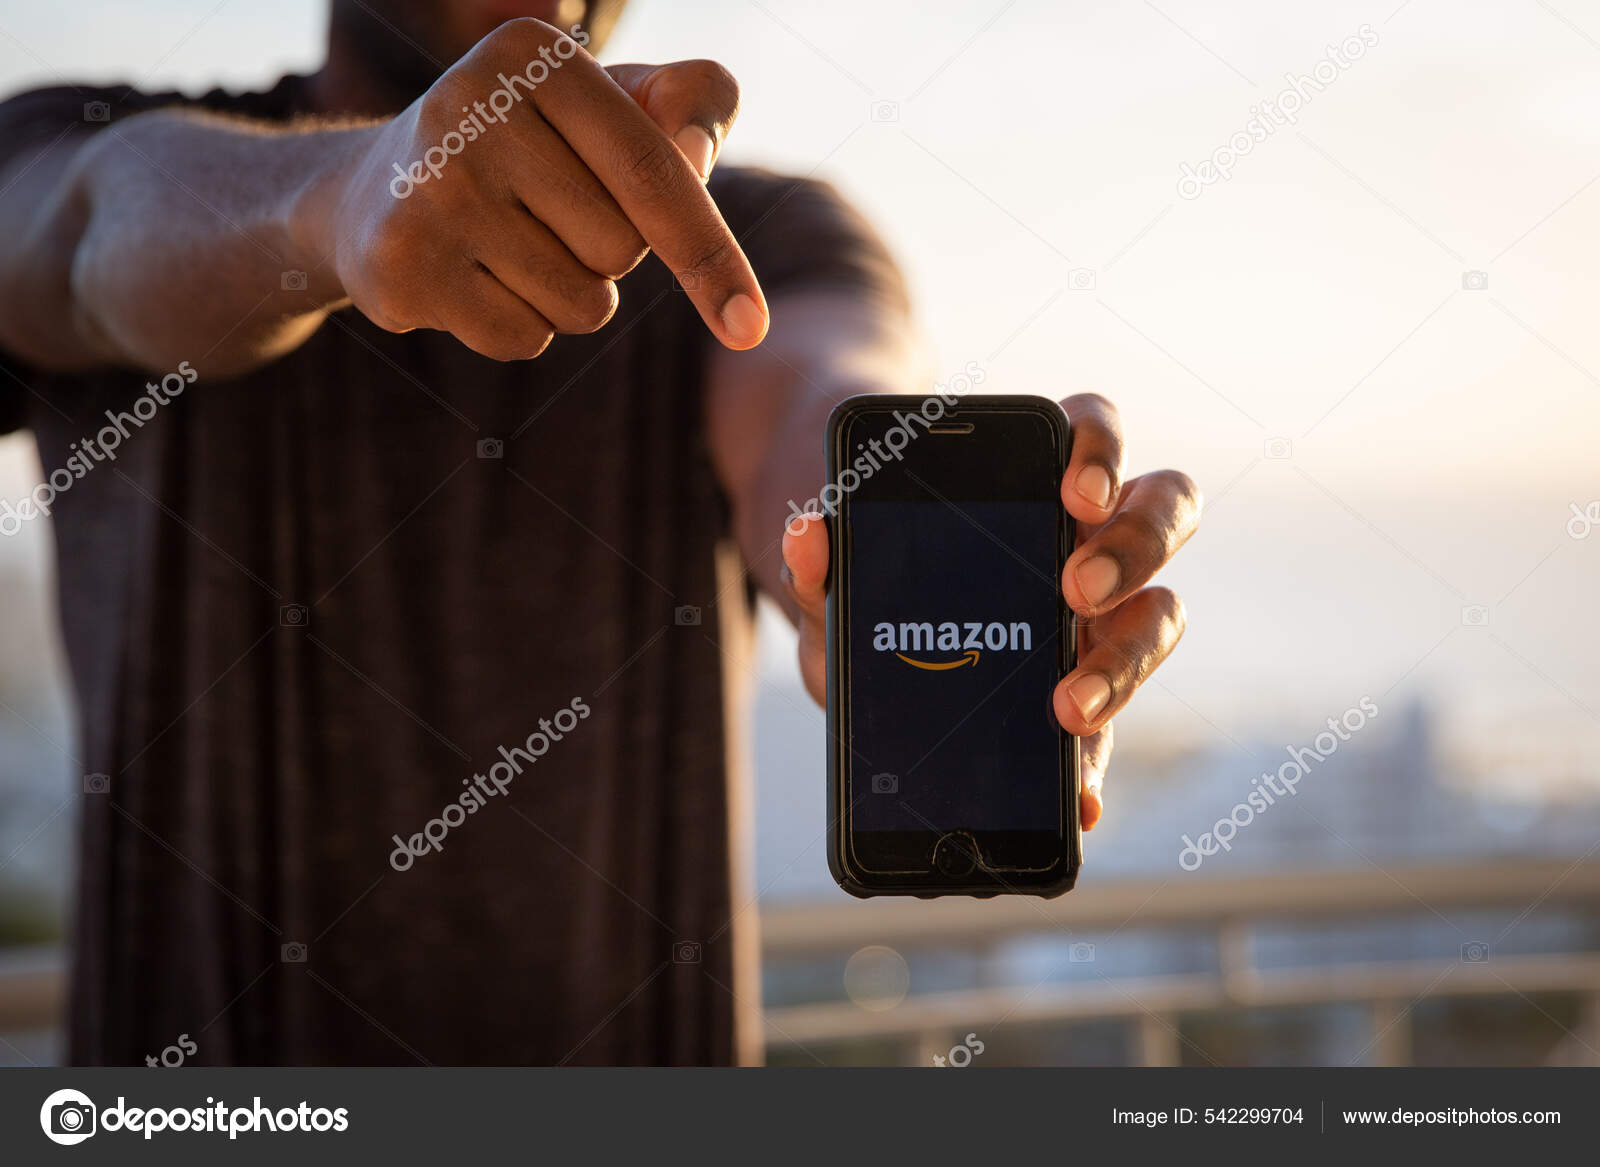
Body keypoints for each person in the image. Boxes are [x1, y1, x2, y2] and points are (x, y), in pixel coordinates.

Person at [0, 0, 1200, 1065]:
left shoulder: (761, 235)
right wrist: (335, 204)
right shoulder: (66, 140)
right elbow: (92, 232)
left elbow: (811, 397)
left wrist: (887, 534)